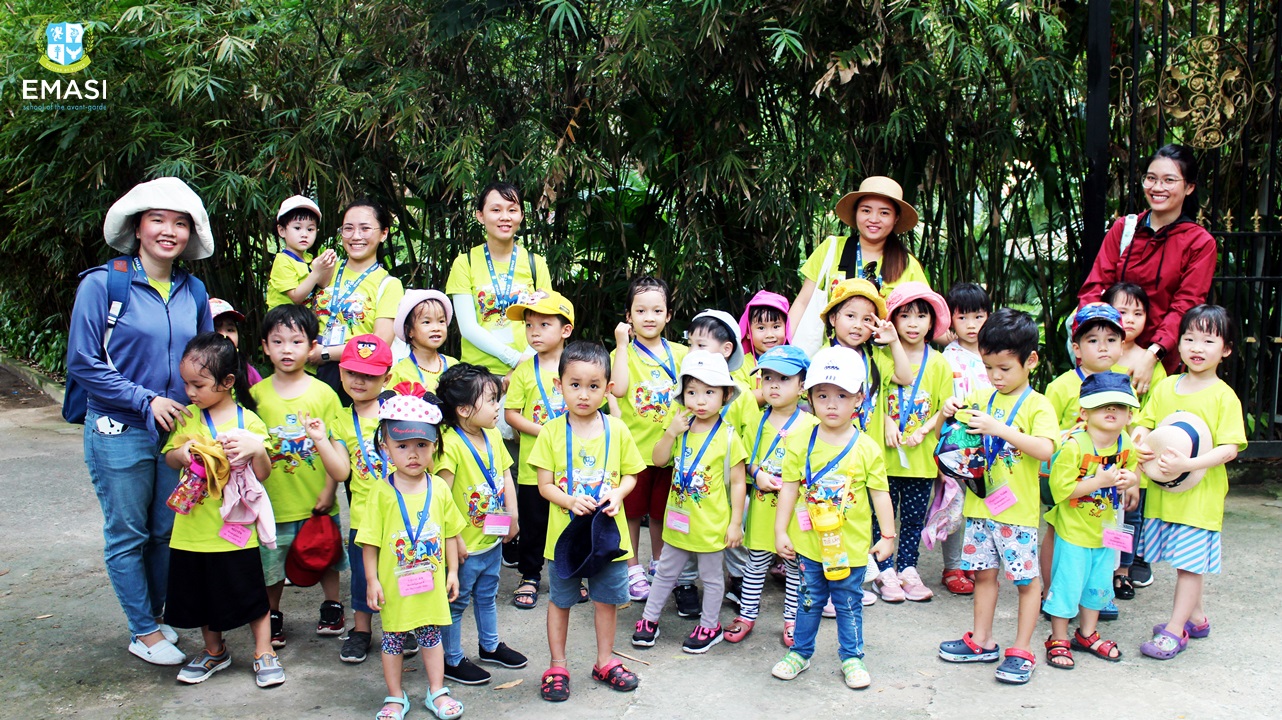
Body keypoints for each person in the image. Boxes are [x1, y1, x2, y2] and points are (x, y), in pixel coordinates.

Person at [68, 176, 216, 665]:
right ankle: (143, 630)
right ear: (137, 228)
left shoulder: (194, 290)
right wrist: (143, 399)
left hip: (177, 431)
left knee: (165, 529)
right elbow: (83, 361)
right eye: (158, 220)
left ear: (190, 235)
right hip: (118, 428)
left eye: (180, 223)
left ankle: (152, 615)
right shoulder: (102, 284)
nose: (168, 231)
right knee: (127, 532)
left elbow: (206, 359)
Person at [937, 308, 1058, 685]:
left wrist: (1000, 429)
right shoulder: (981, 396)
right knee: (983, 575)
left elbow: (1045, 449)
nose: (996, 376)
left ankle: (1022, 649)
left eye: (1005, 368)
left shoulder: (1038, 404)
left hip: (1017, 514)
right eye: (989, 367)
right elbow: (955, 434)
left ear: (1030, 361)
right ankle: (981, 639)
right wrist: (948, 412)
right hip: (980, 509)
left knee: (1026, 581)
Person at [771, 345, 897, 689]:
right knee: (808, 600)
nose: (831, 404)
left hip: (850, 547)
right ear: (809, 397)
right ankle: (800, 652)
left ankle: (852, 657)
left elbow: (880, 494)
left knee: (848, 603)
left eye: (841, 395)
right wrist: (780, 531)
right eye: (822, 395)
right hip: (809, 544)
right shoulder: (800, 441)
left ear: (859, 399)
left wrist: (888, 536)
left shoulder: (867, 448)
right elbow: (789, 489)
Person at [160, 333, 281, 687]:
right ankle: (214, 650)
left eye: (198, 385)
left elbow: (263, 473)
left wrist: (256, 450)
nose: (190, 392)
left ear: (228, 382)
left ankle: (264, 650)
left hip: (235, 531)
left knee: (251, 593)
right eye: (186, 384)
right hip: (192, 529)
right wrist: (182, 454)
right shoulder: (187, 419)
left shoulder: (249, 423)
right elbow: (169, 457)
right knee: (200, 595)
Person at [529, 342, 644, 701]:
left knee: (606, 600)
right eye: (575, 384)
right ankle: (557, 665)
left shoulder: (617, 430)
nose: (583, 394)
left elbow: (631, 474)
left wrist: (619, 494)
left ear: (608, 388)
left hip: (609, 538)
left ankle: (605, 661)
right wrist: (569, 500)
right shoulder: (550, 431)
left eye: (593, 386)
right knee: (561, 600)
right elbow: (544, 485)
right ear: (559, 385)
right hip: (564, 540)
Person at [1134, 305, 1247, 660]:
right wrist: (1139, 443)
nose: (1197, 347)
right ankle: (1196, 618)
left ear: (1226, 349)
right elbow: (1145, 422)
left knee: (1189, 565)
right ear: (1179, 343)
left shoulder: (1224, 396)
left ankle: (1175, 629)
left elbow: (1230, 448)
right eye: (1189, 338)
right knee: (1184, 560)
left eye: (1209, 341)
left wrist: (1189, 464)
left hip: (1200, 497)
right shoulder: (1166, 386)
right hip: (1166, 491)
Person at [358, 393, 467, 720]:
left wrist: (452, 572)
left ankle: (437, 691)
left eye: (422, 444)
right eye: (402, 445)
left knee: (432, 639)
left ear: (434, 446)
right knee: (392, 642)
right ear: (386, 447)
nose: (413, 454)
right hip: (394, 588)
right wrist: (372, 581)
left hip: (430, 586)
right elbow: (369, 543)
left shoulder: (440, 488)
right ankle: (395, 696)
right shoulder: (381, 492)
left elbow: (449, 533)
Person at [632, 351, 747, 655]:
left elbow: (738, 482)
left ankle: (710, 626)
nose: (700, 400)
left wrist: (736, 523)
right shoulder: (680, 428)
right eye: (692, 392)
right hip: (677, 521)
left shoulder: (729, 437)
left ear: (725, 396)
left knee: (711, 578)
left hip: (711, 525)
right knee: (664, 573)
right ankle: (649, 619)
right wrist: (670, 433)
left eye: (709, 392)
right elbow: (658, 459)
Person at [1078, 144, 1217, 393]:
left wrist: (1152, 355)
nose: (1157, 187)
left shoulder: (1199, 242)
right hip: (1106, 354)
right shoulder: (1124, 229)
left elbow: (1185, 305)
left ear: (1189, 187)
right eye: (1151, 178)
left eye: (1169, 180)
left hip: (1160, 360)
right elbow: (1095, 286)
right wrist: (1089, 339)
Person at [249, 305, 347, 648]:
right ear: (265, 347)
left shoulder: (324, 393)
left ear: (312, 347)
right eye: (277, 342)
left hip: (316, 498)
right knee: (271, 562)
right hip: (272, 501)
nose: (286, 350)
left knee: (327, 554)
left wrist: (330, 489)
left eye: (296, 341)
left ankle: (332, 605)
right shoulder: (256, 396)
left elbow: (337, 446)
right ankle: (272, 614)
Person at [303, 334, 401, 664]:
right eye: (352, 373)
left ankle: (402, 627)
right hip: (364, 518)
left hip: (403, 513)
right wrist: (321, 441)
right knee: (362, 577)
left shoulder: (399, 411)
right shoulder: (342, 421)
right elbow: (342, 471)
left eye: (369, 375)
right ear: (341, 373)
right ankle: (361, 630)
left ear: (387, 377)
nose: (359, 381)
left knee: (401, 572)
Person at [435, 363, 528, 685]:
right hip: (464, 545)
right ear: (463, 410)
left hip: (491, 538)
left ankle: (489, 646)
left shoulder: (492, 435)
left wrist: (513, 516)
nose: (498, 406)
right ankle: (451, 659)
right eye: (490, 400)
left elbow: (505, 476)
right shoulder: (449, 445)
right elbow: (440, 498)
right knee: (457, 602)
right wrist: (454, 539)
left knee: (487, 595)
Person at [1041, 371, 1140, 670]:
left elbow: (1132, 466)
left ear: (1129, 415)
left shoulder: (1124, 442)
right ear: (1084, 412)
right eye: (1102, 405)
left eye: (1119, 406)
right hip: (1073, 532)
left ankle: (1087, 634)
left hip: (1105, 531)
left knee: (1098, 587)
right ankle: (1058, 637)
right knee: (1067, 585)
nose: (1111, 410)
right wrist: (1098, 482)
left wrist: (1131, 480)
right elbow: (1060, 490)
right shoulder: (1074, 446)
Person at [726, 346, 816, 647]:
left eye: (784, 378)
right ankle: (747, 614)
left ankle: (792, 619)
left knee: (794, 566)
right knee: (755, 563)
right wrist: (756, 474)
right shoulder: (756, 421)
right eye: (767, 378)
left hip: (796, 511)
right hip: (763, 508)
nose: (774, 385)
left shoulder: (812, 426)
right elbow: (744, 460)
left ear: (802, 386)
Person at [872, 282, 953, 603]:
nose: (913, 323)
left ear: (932, 322)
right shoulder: (881, 356)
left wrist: (926, 429)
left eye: (921, 316)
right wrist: (886, 420)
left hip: (921, 457)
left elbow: (944, 406)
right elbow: (871, 399)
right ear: (892, 319)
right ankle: (883, 570)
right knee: (882, 516)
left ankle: (908, 568)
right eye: (904, 316)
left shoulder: (939, 363)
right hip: (885, 457)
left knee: (913, 518)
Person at [609, 276, 688, 601]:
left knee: (660, 513)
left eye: (657, 310)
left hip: (672, 450)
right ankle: (632, 568)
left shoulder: (682, 353)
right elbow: (619, 389)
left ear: (668, 315)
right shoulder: (622, 354)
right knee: (631, 513)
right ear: (629, 316)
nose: (649, 317)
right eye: (640, 311)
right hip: (634, 452)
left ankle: (659, 562)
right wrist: (622, 346)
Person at [686, 309, 762, 613]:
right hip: (692, 486)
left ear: (727, 349)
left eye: (701, 345)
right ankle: (685, 583)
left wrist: (752, 472)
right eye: (690, 345)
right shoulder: (687, 393)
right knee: (686, 530)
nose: (693, 351)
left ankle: (739, 579)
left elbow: (752, 439)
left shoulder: (741, 396)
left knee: (734, 530)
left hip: (731, 483)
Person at [503, 292, 575, 609]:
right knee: (533, 525)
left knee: (569, 522)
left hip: (571, 467)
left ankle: (570, 574)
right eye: (529, 325)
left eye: (544, 325)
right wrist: (545, 431)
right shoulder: (523, 371)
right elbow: (511, 414)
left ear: (565, 330)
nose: (534, 332)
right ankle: (529, 575)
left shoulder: (577, 367)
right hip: (534, 467)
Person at [788, 176, 929, 336]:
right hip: (831, 350)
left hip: (886, 351)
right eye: (866, 210)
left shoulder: (907, 264)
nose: (873, 219)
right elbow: (803, 302)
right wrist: (783, 345)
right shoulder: (831, 249)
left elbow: (926, 315)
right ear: (856, 213)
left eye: (884, 213)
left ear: (896, 218)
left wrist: (952, 339)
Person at [445, 182, 553, 377]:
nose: (505, 217)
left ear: (521, 215)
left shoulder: (535, 263)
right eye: (496, 210)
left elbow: (547, 321)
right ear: (480, 216)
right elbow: (468, 327)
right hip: (478, 375)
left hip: (529, 371)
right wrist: (514, 359)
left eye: (512, 210)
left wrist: (524, 365)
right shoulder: (465, 263)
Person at [308, 198, 405, 404]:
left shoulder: (389, 284)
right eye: (348, 228)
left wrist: (324, 353)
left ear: (384, 233)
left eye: (365, 228)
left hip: (355, 374)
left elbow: (379, 343)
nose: (356, 236)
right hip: (308, 370)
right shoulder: (325, 269)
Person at [1104, 281, 1164, 593]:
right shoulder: (1099, 358)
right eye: (1122, 311)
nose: (1129, 319)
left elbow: (1158, 411)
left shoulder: (1151, 365)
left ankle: (1123, 570)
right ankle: (1102, 567)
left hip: (1136, 455)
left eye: (1138, 313)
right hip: (1100, 454)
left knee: (1130, 514)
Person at [939, 282, 992, 595]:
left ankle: (974, 560)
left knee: (981, 503)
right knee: (954, 503)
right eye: (963, 318)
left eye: (978, 316)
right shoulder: (948, 358)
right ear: (950, 320)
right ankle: (953, 565)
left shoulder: (995, 352)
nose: (971, 325)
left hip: (990, 440)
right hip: (958, 443)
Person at [265, 195, 336, 311]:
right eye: (297, 228)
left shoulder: (308, 258)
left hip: (301, 316)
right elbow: (296, 297)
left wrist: (329, 265)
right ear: (282, 230)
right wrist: (316, 271)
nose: (304, 234)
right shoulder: (283, 261)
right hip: (283, 317)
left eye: (310, 229)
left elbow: (323, 284)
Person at [388, 290, 457, 394]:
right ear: (409, 330)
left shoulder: (454, 366)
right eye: (426, 322)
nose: (436, 328)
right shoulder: (399, 373)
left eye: (441, 321)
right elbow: (390, 403)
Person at [735, 290, 791, 403]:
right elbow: (739, 399)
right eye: (761, 328)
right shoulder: (739, 365)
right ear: (748, 332)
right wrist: (786, 390)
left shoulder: (794, 361)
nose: (769, 335)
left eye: (776, 327)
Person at [210, 298, 262, 386]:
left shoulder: (246, 370)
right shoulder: (196, 370)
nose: (224, 336)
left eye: (230, 330)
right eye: (215, 330)